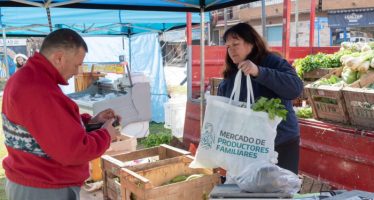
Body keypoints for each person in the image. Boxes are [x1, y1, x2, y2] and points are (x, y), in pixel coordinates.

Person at [2, 28, 120, 200]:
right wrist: (106, 134)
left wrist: (92, 122)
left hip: (39, 183)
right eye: (77, 65)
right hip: (43, 188)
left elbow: (50, 128)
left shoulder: (32, 78)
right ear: (59, 58)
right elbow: (73, 151)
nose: (77, 72)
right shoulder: (38, 88)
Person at [217, 23, 303, 174]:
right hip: (248, 146)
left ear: (251, 42)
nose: (231, 50)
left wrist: (259, 72)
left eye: (236, 44)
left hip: (281, 141)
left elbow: (295, 88)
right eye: (228, 46)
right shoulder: (232, 73)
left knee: (281, 190)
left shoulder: (272, 61)